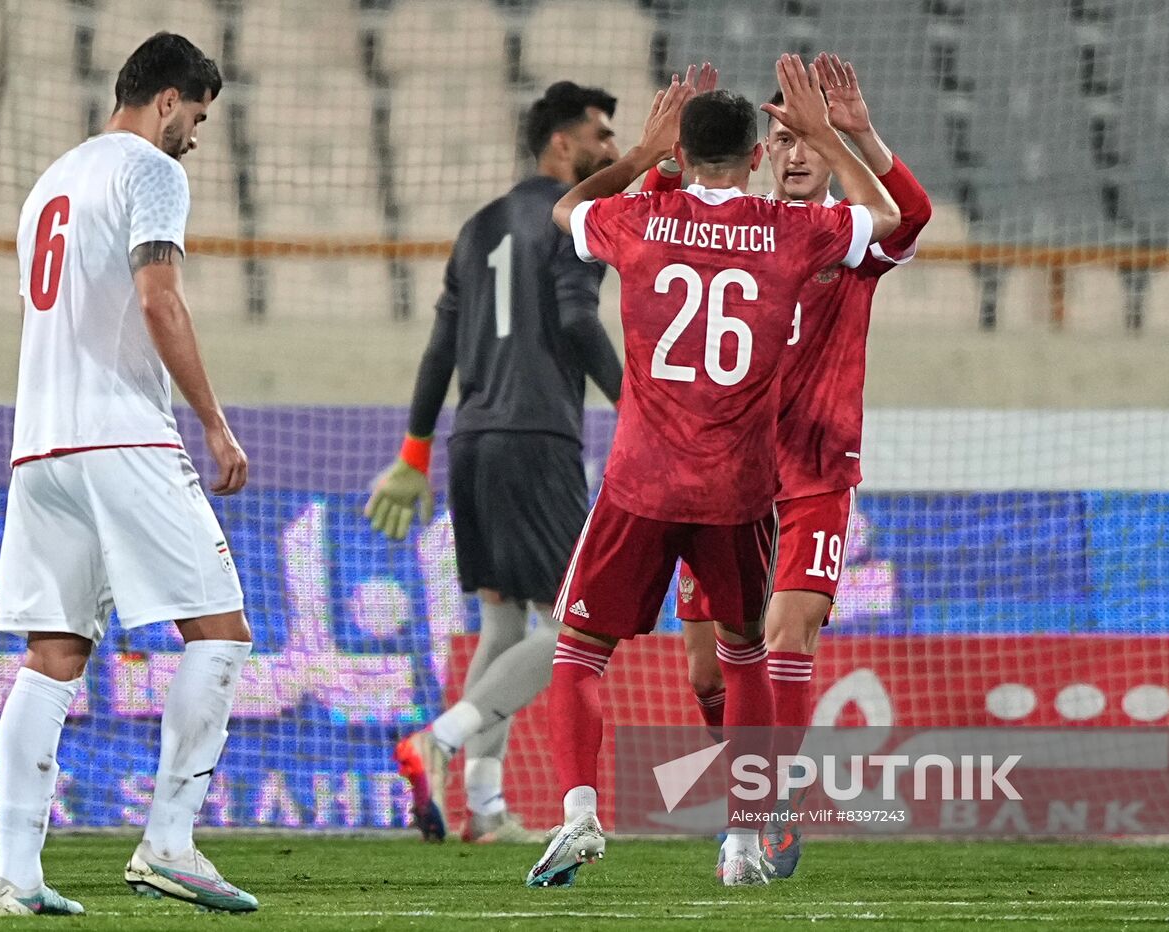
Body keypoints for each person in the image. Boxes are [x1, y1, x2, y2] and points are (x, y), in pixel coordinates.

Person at [525, 56, 899, 889]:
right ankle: (742, 842)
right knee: (743, 657)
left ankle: (580, 816)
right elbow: (883, 212)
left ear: (682, 152)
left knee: (581, 647)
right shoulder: (792, 230)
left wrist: (639, 154)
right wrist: (831, 139)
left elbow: (564, 209)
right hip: (739, 490)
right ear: (757, 154)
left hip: (642, 480)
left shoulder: (640, 218)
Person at [0, 33, 256, 916]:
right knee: (220, 631)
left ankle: (17, 880)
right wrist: (213, 424)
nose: (195, 139)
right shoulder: (150, 170)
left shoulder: (49, 184)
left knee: (54, 654)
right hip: (121, 437)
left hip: (39, 445)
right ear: (170, 99)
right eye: (198, 119)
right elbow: (157, 296)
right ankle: (170, 841)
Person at [650, 53, 933, 880]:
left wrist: (856, 136)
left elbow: (911, 217)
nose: (797, 154)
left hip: (815, 476)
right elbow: (660, 214)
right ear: (764, 154)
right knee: (708, 672)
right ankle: (748, 781)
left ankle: (769, 804)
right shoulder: (742, 231)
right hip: (725, 480)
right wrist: (674, 151)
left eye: (804, 140)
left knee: (784, 635)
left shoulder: (850, 238)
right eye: (783, 141)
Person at [364, 82, 624, 843]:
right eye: (601, 136)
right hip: (536, 437)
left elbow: (442, 346)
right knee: (581, 622)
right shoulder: (575, 221)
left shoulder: (476, 227)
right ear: (561, 144)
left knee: (504, 622)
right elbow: (577, 319)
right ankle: (437, 741)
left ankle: (481, 806)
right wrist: (637, 403)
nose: (612, 151)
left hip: (471, 444)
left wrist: (415, 452)